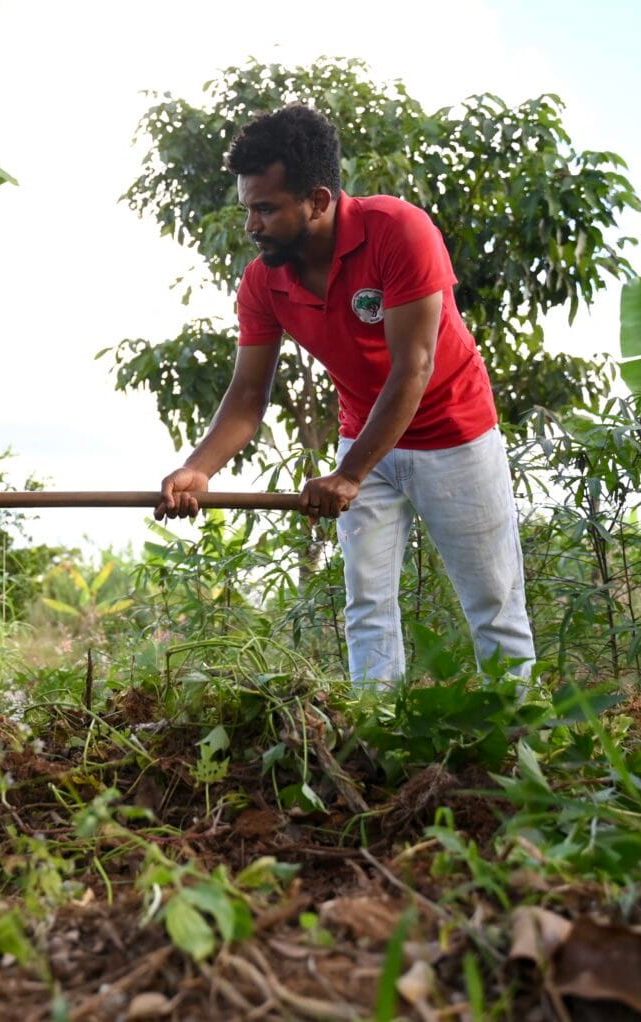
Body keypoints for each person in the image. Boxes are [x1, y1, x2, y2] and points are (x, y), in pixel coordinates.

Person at [154, 105, 535, 686]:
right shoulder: (264, 280)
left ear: (320, 200)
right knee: (367, 608)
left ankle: (522, 744)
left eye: (266, 209)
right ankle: (376, 742)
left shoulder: (398, 231)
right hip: (364, 438)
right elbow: (247, 396)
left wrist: (348, 475)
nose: (252, 225)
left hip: (454, 436)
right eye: (247, 209)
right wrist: (197, 469)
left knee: (494, 607)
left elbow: (414, 369)